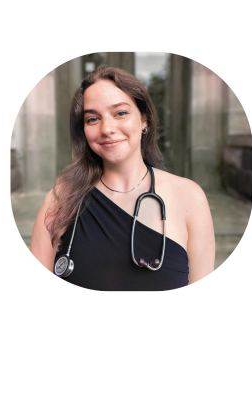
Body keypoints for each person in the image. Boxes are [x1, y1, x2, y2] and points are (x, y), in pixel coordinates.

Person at [31, 65, 215, 291]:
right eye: (92, 119)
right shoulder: (60, 201)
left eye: (120, 113)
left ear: (145, 119)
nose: (107, 128)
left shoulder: (190, 198)